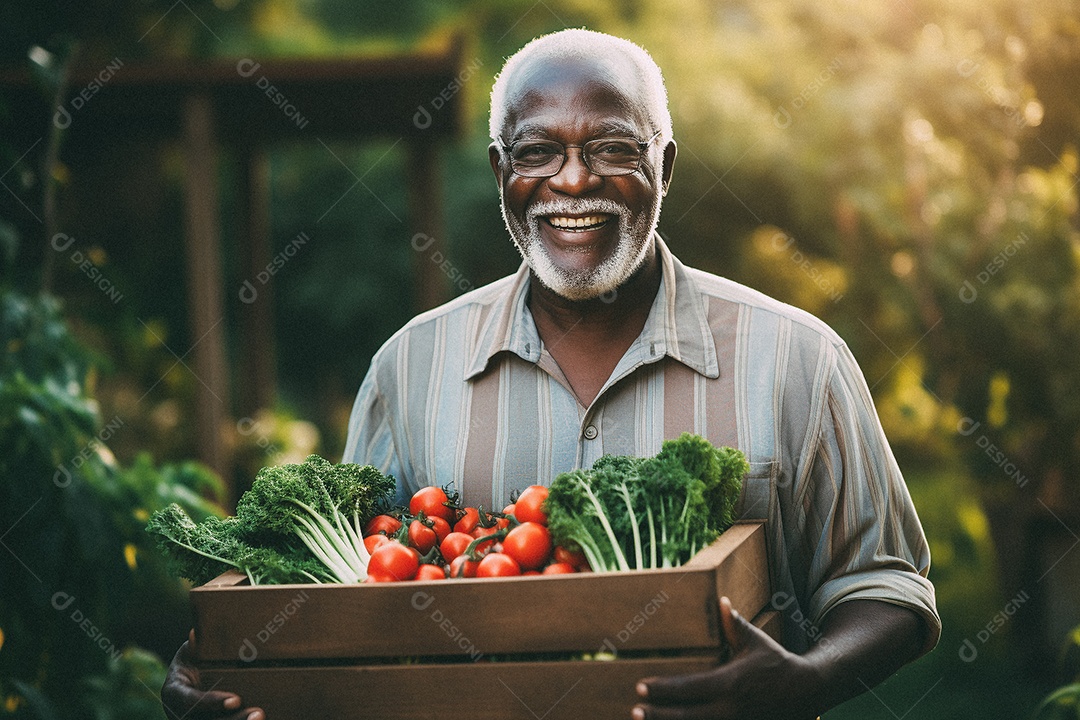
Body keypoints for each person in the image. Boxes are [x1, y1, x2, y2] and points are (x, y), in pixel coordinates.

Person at [162, 28, 939, 720]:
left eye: (611, 148)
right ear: (503, 169)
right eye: (538, 151)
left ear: (662, 165)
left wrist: (804, 681)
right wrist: (234, 661)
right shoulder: (411, 366)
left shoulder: (797, 357)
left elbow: (886, 590)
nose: (573, 181)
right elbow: (356, 603)